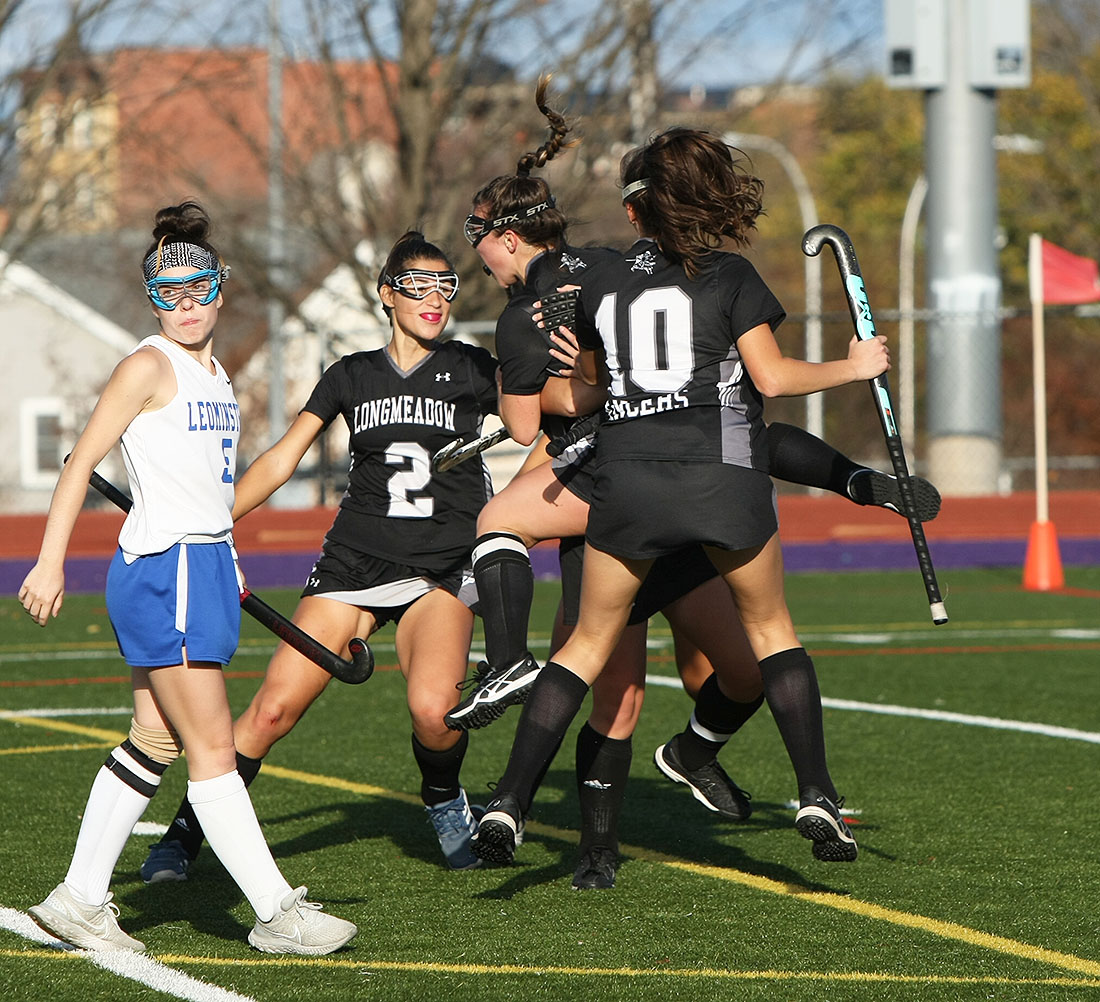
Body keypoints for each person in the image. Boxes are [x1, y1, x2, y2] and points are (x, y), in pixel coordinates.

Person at [446, 89, 939, 889]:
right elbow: (771, 382)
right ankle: (815, 791)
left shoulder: (600, 286)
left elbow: (592, 389)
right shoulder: (729, 275)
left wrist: (575, 375)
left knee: (583, 648)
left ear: (638, 213)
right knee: (772, 633)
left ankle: (506, 801)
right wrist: (855, 365)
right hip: (721, 482)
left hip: (629, 485)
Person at [17, 202, 357, 954]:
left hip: (198, 564)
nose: (186, 304)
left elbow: (213, 491)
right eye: (167, 292)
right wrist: (49, 560)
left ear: (220, 287)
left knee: (153, 741)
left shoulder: (215, 372)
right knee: (212, 750)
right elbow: (79, 463)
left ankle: (77, 900)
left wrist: (219, 548)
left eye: (197, 287)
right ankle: (276, 913)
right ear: (151, 298)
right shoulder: (147, 365)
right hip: (164, 568)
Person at [137, 232, 504, 881]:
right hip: (355, 563)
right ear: (386, 294)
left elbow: (537, 423)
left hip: (440, 568)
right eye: (416, 285)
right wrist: (211, 521)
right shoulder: (351, 375)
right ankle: (184, 835)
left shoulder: (476, 369)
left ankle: (444, 797)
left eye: (444, 285)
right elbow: (283, 457)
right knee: (272, 709)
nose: (433, 298)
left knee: (432, 711)